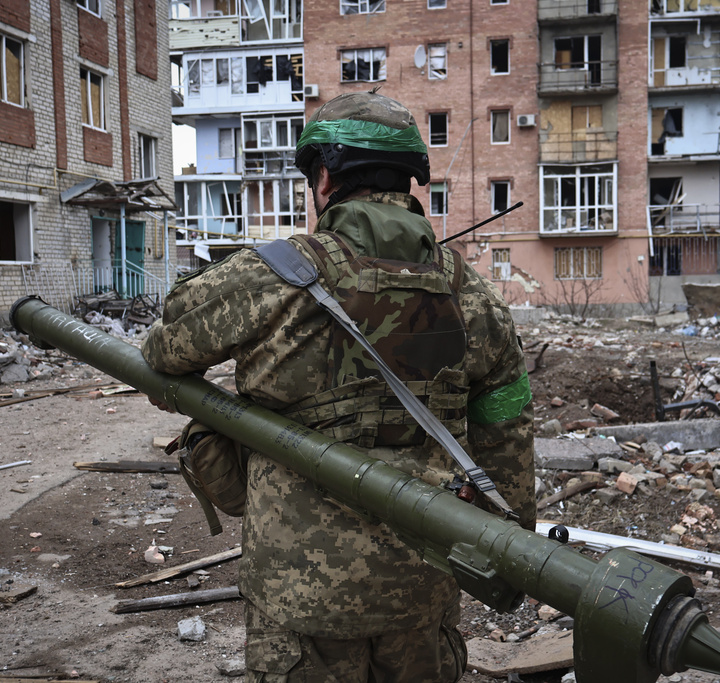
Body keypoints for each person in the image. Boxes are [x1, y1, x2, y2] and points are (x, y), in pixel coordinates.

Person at [142, 90, 535, 682]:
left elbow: (164, 350)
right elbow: (507, 426)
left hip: (300, 589)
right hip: (422, 581)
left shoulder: (273, 274)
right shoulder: (472, 294)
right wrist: (514, 550)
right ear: (409, 182)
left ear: (324, 177)